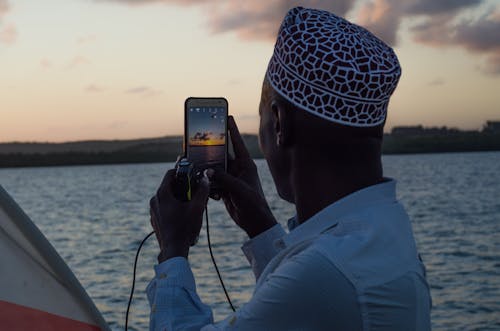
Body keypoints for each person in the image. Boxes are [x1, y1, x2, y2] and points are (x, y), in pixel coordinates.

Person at [147, 6, 431, 331]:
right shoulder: (384, 228)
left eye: (264, 121)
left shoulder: (328, 270)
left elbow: (313, 286)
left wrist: (173, 250)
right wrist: (262, 229)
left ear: (280, 123)